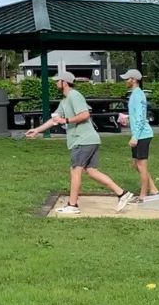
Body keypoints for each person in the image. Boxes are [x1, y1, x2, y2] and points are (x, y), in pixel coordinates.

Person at [26, 71, 133, 215]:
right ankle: (122, 194)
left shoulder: (74, 96)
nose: (56, 83)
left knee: (75, 171)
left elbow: (85, 114)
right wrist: (37, 130)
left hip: (82, 140)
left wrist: (67, 121)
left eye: (58, 81)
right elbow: (54, 120)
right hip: (89, 140)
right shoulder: (64, 101)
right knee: (92, 171)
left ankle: (72, 205)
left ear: (64, 82)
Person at [120, 69, 158, 203]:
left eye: (127, 78)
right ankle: (153, 189)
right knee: (136, 165)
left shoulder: (139, 95)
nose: (125, 81)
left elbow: (142, 118)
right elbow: (137, 114)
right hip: (139, 134)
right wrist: (128, 118)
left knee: (141, 166)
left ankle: (143, 195)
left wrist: (135, 136)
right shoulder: (134, 94)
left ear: (134, 80)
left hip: (142, 135)